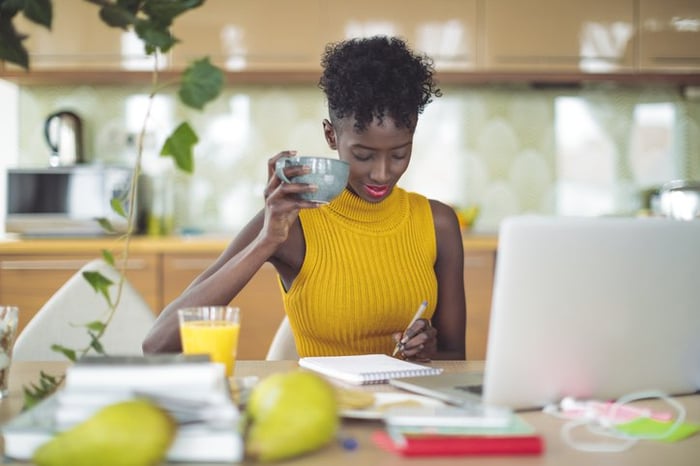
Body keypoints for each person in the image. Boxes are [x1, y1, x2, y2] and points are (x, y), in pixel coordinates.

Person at [143, 36, 466, 360]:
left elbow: (456, 358)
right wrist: (266, 241)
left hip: (409, 409)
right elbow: (158, 343)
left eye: (399, 153)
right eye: (364, 155)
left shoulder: (438, 224)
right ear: (331, 135)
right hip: (320, 407)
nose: (382, 173)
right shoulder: (292, 222)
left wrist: (429, 350)